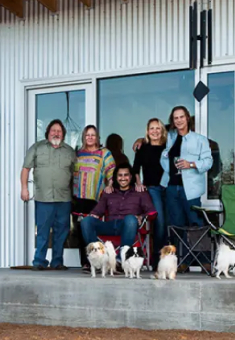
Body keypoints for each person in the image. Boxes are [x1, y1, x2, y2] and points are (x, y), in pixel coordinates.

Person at [21, 119, 76, 270]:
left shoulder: (70, 152)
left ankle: (57, 262)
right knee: (43, 232)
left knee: (61, 233)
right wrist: (24, 188)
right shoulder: (37, 148)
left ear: (63, 134)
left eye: (59, 131)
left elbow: (75, 174)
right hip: (43, 198)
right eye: (53, 130)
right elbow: (26, 168)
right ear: (48, 132)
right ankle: (39, 261)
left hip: (64, 199)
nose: (56, 133)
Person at [79, 164, 155, 272]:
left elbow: (152, 212)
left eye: (126, 175)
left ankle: (120, 261)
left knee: (130, 219)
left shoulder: (140, 192)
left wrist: (141, 216)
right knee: (86, 221)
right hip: (109, 225)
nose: (123, 178)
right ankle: (100, 260)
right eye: (120, 175)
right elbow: (97, 211)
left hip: (128, 226)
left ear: (131, 177)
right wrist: (92, 216)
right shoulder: (109, 192)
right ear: (115, 177)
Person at [160, 106, 212, 231]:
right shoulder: (170, 138)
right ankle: (179, 251)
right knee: (176, 227)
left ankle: (198, 252)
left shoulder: (200, 140)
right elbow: (153, 136)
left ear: (187, 118)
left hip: (190, 190)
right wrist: (139, 140)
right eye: (175, 118)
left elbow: (208, 162)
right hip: (171, 188)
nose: (179, 120)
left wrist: (191, 164)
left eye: (181, 117)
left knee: (196, 224)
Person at [73, 125, 115, 268]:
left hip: (96, 199)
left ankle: (97, 261)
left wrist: (110, 185)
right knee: (79, 231)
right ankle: (85, 262)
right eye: (87, 135)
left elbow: (112, 173)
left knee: (91, 230)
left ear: (97, 137)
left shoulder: (104, 153)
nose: (90, 137)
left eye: (93, 135)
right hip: (78, 198)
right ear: (84, 137)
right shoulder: (78, 154)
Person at [131, 118, 168, 265]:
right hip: (152, 188)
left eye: (158, 128)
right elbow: (135, 168)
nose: (155, 131)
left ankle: (170, 257)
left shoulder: (168, 147)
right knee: (160, 221)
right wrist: (139, 183)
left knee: (170, 222)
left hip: (168, 187)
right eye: (152, 128)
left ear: (162, 131)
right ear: (147, 131)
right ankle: (157, 258)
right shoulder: (143, 147)